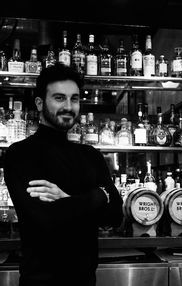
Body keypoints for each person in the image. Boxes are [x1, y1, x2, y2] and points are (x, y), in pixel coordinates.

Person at [4, 63, 123, 286]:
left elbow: (115, 214)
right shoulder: (20, 154)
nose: (68, 106)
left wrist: (67, 200)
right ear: (40, 103)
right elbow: (46, 219)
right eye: (59, 98)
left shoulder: (91, 155)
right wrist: (98, 195)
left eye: (74, 98)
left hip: (86, 281)